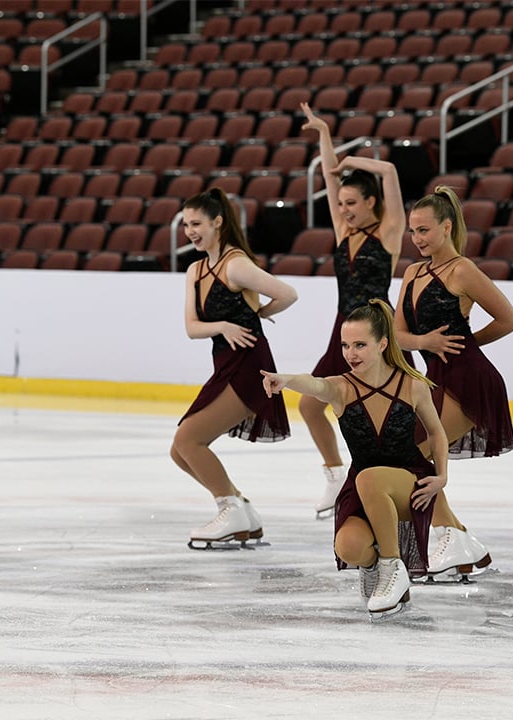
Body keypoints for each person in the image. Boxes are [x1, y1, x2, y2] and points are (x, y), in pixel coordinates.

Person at [261, 300, 448, 619]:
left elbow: (437, 433)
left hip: (408, 483)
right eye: (345, 345)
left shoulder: (413, 385)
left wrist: (442, 477)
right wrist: (287, 379)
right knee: (348, 547)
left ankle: (392, 567)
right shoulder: (341, 388)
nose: (351, 353)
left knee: (369, 477)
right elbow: (315, 384)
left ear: (383, 344)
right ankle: (375, 564)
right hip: (363, 488)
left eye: (360, 344)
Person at [396, 187, 513, 579]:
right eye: (413, 232)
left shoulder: (462, 270)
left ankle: (452, 535)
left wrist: (468, 343)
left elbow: (509, 319)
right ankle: (458, 538)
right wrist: (425, 343)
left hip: (470, 380)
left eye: (424, 230)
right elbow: (398, 334)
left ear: (446, 227)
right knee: (402, 451)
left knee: (407, 452)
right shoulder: (413, 273)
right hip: (434, 377)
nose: (417, 239)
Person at [172, 188, 298, 549]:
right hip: (224, 364)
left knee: (188, 440)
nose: (190, 231)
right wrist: (223, 326)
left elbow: (288, 293)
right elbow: (192, 328)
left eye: (197, 223)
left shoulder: (236, 264)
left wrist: (255, 315)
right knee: (179, 451)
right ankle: (240, 508)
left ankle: (231, 509)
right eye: (186, 225)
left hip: (249, 367)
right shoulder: (195, 270)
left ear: (217, 223)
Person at [298, 103, 405, 520]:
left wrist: (354, 160)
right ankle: (334, 474)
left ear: (371, 202)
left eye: (352, 203)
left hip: (381, 333)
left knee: (395, 415)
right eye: (340, 203)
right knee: (310, 404)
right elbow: (328, 177)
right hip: (342, 333)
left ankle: (402, 486)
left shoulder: (390, 231)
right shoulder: (344, 232)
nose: (343, 209)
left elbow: (391, 173)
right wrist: (324, 134)